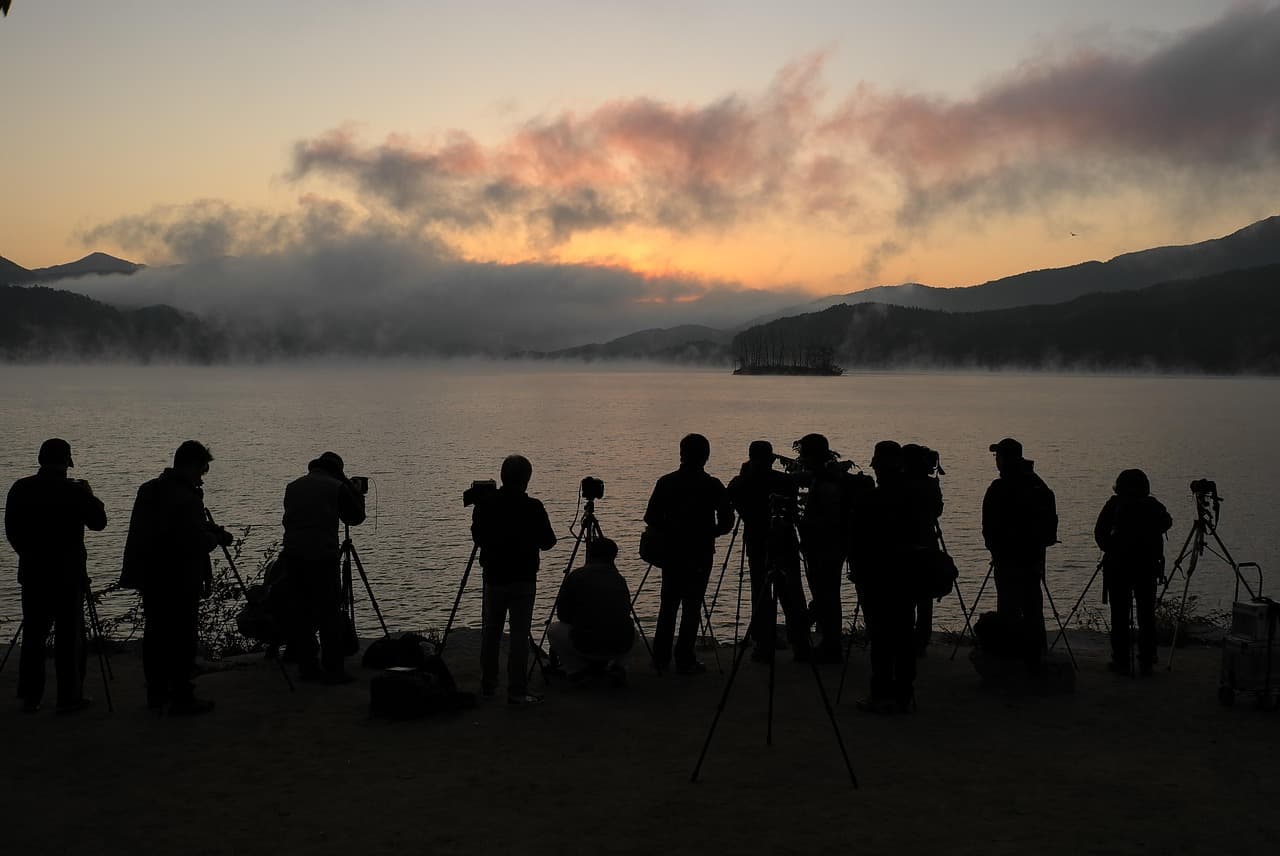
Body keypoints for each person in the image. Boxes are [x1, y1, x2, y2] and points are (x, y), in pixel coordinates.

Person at [122, 440, 232, 716]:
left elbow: (155, 529)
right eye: (202, 469)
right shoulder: (186, 497)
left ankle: (157, 693)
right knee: (183, 637)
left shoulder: (150, 490)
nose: (203, 475)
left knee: (156, 634)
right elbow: (195, 542)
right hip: (180, 578)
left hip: (152, 576)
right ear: (191, 465)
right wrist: (215, 536)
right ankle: (183, 696)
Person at [5, 438, 106, 714]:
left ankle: (30, 697)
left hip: (33, 574)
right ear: (66, 462)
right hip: (68, 576)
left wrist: (28, 555)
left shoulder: (20, 488)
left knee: (34, 637)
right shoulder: (74, 491)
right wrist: (90, 494)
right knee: (69, 639)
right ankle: (69, 697)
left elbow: (11, 531)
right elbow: (99, 523)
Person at [644, 433, 735, 674]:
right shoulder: (713, 485)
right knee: (692, 605)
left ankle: (660, 659)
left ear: (681, 453)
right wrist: (708, 533)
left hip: (672, 552)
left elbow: (651, 518)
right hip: (700, 553)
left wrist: (669, 532)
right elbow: (727, 522)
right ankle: (685, 658)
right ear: (706, 456)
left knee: (668, 604)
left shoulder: (666, 482)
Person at [471, 454, 557, 705]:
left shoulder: (486, 505)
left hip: (495, 578)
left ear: (502, 477)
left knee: (491, 632)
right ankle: (517, 690)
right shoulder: (534, 507)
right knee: (519, 635)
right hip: (524, 579)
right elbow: (548, 542)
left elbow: (478, 537)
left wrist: (478, 509)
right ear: (527, 480)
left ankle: (488, 685)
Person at [280, 451, 367, 683]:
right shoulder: (335, 487)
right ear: (337, 470)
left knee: (302, 612)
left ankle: (307, 667)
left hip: (293, 555)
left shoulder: (293, 486)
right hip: (322, 556)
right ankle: (334, 668)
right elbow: (356, 517)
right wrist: (355, 491)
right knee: (329, 613)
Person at [726, 440, 810, 662]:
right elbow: (792, 511)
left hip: (756, 544)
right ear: (771, 458)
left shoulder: (741, 483)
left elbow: (730, 500)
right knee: (792, 593)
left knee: (760, 593)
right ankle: (801, 645)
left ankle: (764, 645)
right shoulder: (784, 481)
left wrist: (744, 474)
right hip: (785, 541)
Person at [981, 437, 1058, 670]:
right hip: (1034, 559)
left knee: (1008, 608)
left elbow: (989, 526)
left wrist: (995, 549)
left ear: (1003, 459)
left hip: (1008, 560)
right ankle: (1036, 655)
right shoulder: (1038, 485)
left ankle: (1011, 657)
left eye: (997, 456)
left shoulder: (1000, 487)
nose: (996, 461)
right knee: (1033, 607)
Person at [853, 441, 917, 714]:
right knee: (904, 635)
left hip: (877, 576)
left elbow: (856, 538)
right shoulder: (915, 497)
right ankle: (903, 694)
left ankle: (880, 694)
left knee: (881, 637)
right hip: (907, 574)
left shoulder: (871, 499)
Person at [792, 433, 865, 663]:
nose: (801, 457)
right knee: (827, 594)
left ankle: (830, 646)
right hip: (832, 545)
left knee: (827, 594)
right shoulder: (828, 476)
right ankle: (829, 642)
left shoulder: (827, 481)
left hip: (826, 546)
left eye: (803, 453)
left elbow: (827, 518)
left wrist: (799, 521)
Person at [1094, 469, 1172, 676]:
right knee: (1146, 615)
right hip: (1146, 567)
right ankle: (1146, 658)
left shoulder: (1114, 505)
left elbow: (1100, 533)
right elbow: (1167, 522)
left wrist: (1113, 547)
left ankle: (1120, 659)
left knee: (1119, 614)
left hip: (1117, 567)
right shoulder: (1152, 506)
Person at [547, 537, 634, 685]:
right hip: (618, 644)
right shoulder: (618, 578)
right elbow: (625, 612)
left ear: (590, 554)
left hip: (585, 644)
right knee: (633, 631)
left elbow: (562, 614)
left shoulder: (576, 576)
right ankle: (619, 667)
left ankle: (576, 671)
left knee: (554, 629)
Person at [901, 444, 945, 655]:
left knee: (906, 593)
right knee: (924, 595)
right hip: (928, 541)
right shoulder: (930, 485)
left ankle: (907, 638)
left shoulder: (901, 484)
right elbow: (937, 510)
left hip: (905, 543)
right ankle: (921, 640)